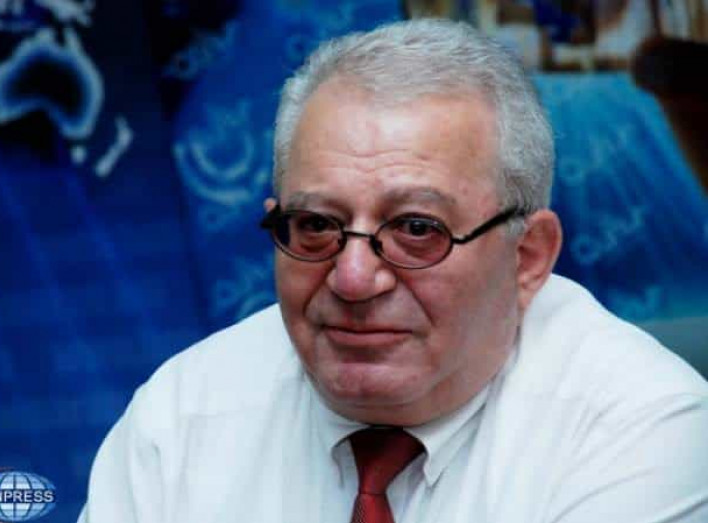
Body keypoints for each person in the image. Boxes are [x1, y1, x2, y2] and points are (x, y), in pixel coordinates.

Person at [78, 19, 708, 523]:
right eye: (317, 224)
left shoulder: (644, 429)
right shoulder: (183, 414)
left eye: (416, 229)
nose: (353, 279)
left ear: (527, 257)